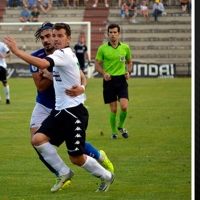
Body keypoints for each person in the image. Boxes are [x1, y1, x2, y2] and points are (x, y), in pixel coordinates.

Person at [4, 22, 115, 193]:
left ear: (68, 38)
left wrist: (17, 51)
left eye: (59, 36)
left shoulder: (63, 54)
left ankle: (107, 176)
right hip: (58, 110)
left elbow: (44, 64)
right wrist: (54, 76)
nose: (54, 39)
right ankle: (63, 173)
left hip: (74, 112)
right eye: (53, 36)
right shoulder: (62, 55)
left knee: (76, 157)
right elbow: (62, 76)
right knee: (37, 140)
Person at [94, 23, 132, 139]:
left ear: (119, 34)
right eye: (111, 32)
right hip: (109, 81)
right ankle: (113, 132)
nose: (113, 34)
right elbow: (97, 65)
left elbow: (129, 62)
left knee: (124, 106)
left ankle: (121, 125)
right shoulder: (102, 49)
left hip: (121, 80)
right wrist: (104, 73)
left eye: (115, 32)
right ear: (108, 34)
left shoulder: (125, 47)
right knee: (114, 109)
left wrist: (128, 72)